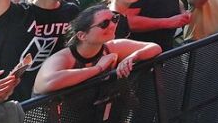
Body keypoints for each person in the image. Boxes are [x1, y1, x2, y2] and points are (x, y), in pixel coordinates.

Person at [32, 5, 160, 94]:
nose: (113, 25)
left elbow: (155, 48)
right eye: (104, 24)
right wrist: (97, 69)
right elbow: (46, 83)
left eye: (114, 19)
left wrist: (133, 57)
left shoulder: (112, 47)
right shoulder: (65, 57)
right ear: (82, 35)